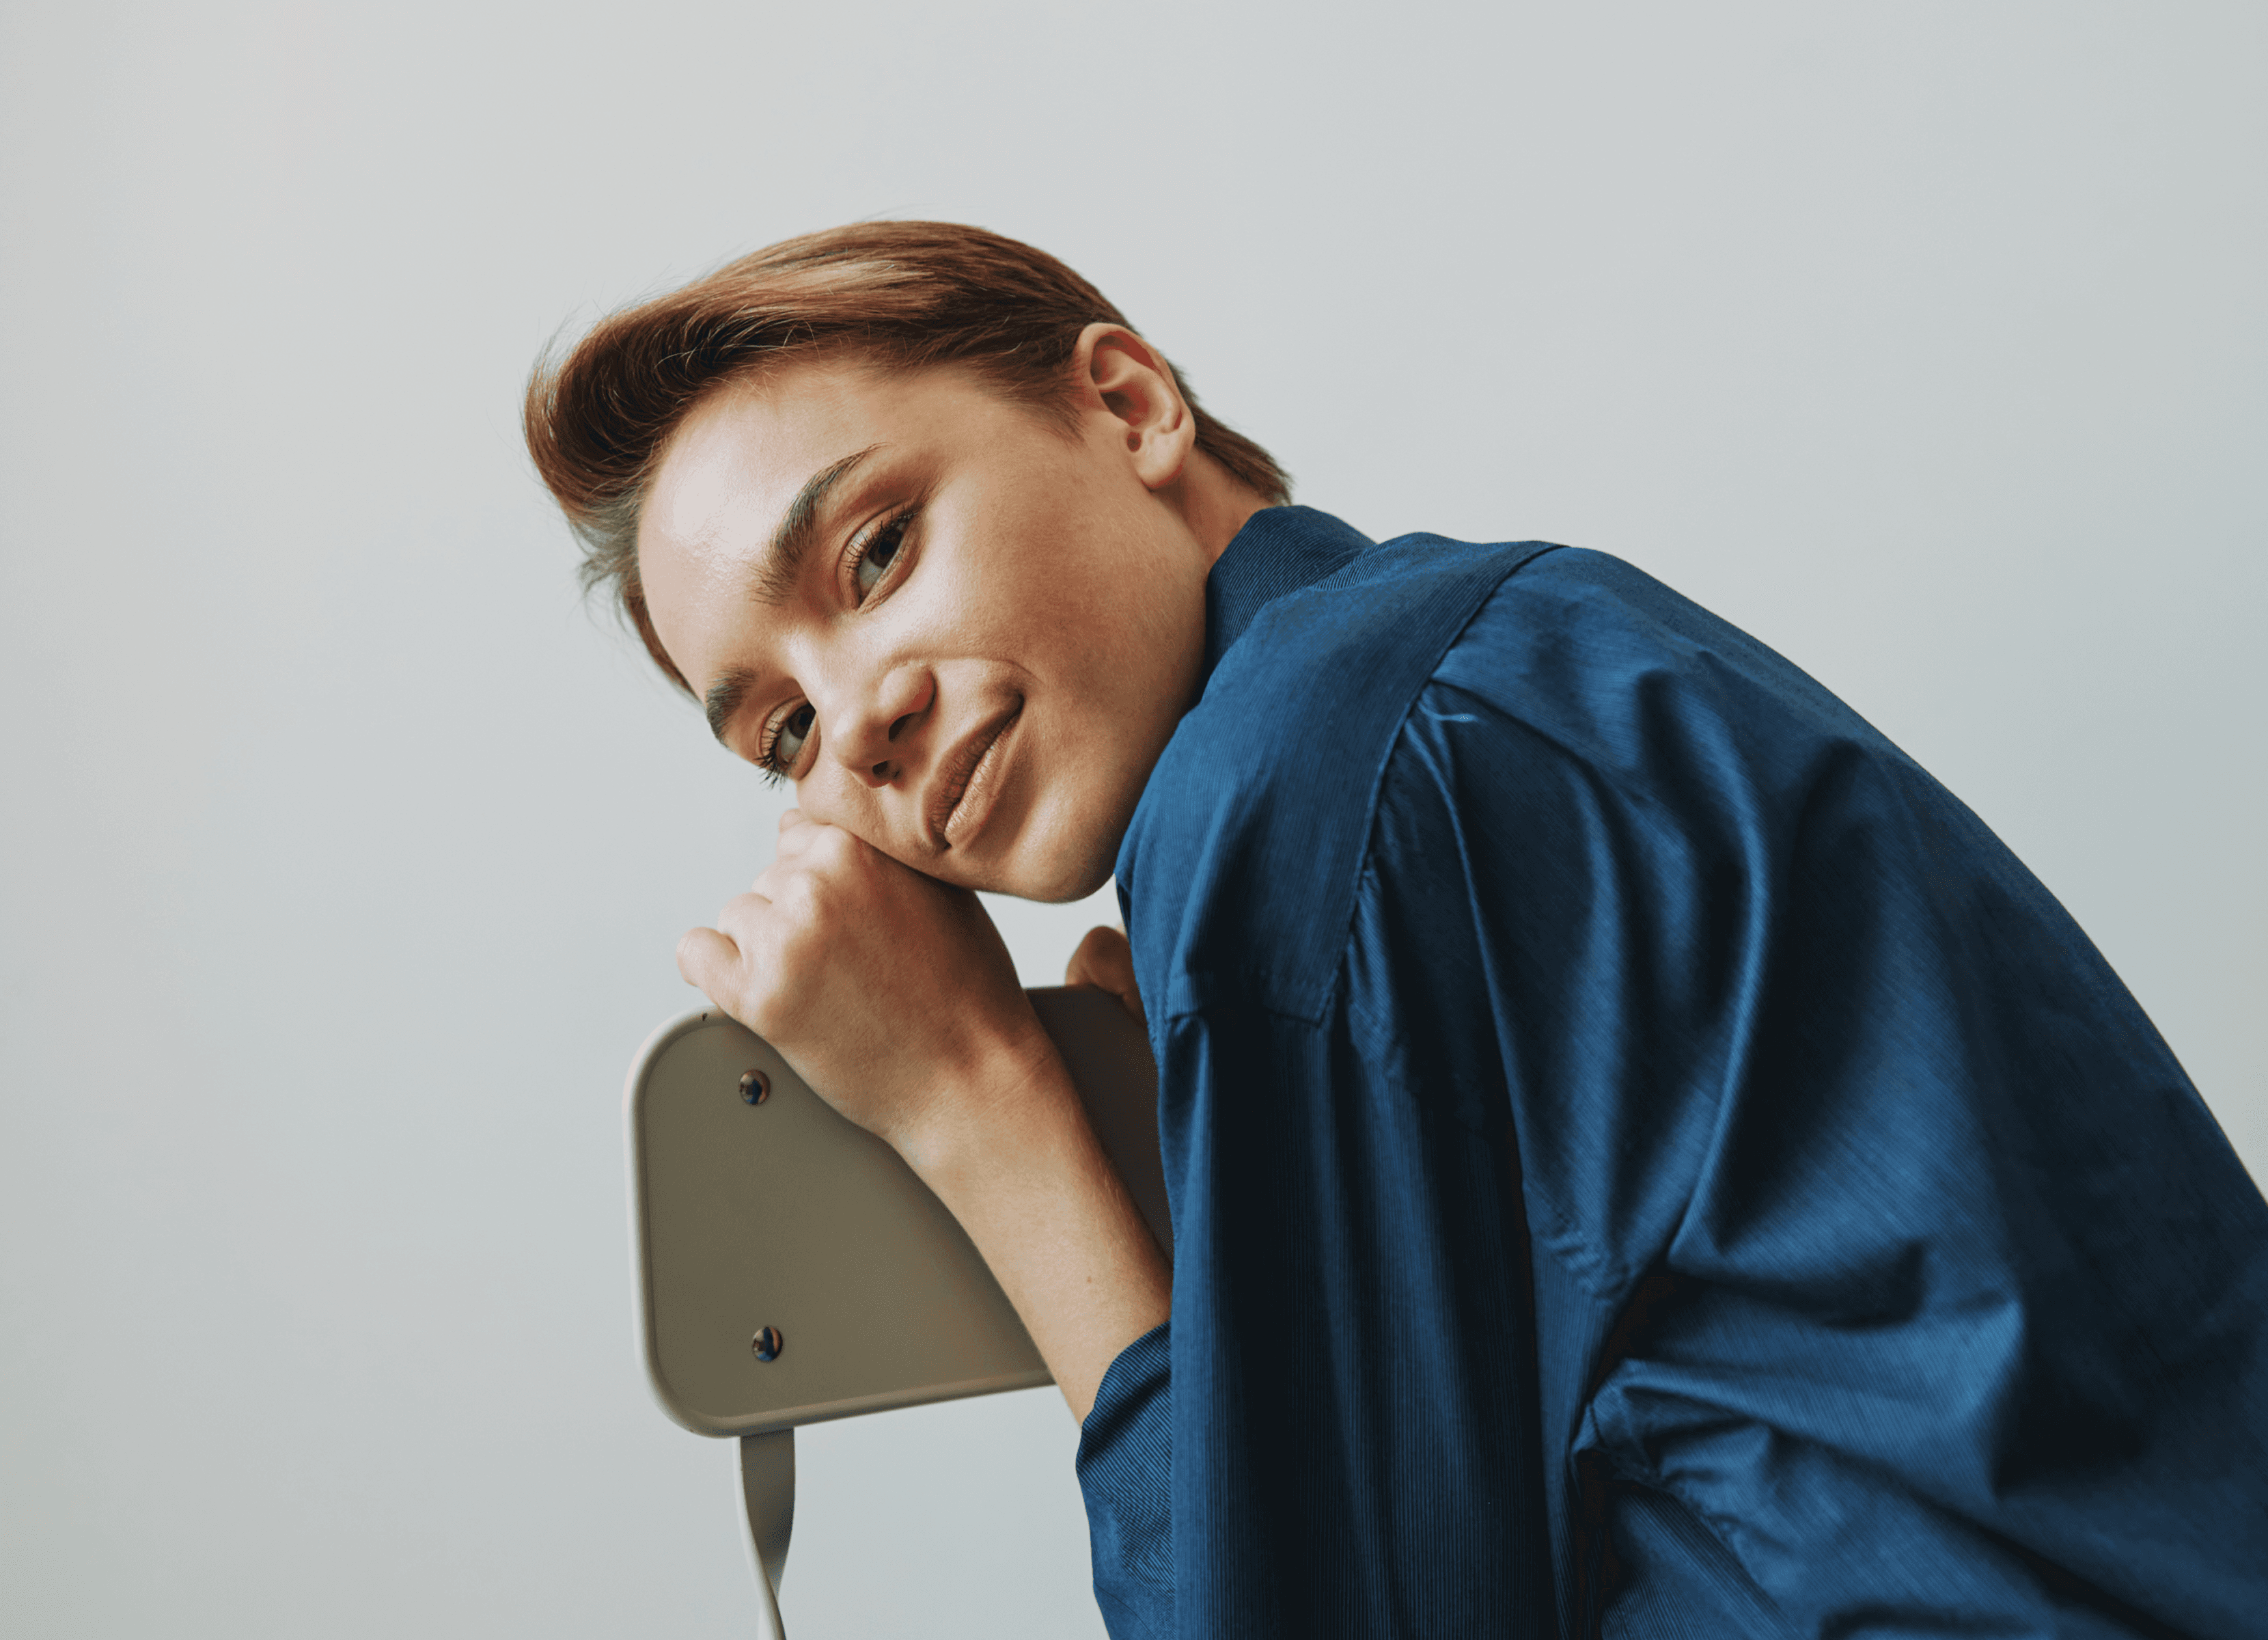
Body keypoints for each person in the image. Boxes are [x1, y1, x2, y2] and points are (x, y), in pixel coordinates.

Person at [523, 222, 2267, 1639]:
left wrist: (986, 1117)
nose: (860, 726)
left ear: (1126, 403)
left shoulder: (1296, 788)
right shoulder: (1508, 646)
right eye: (779, 737)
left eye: (879, 550)